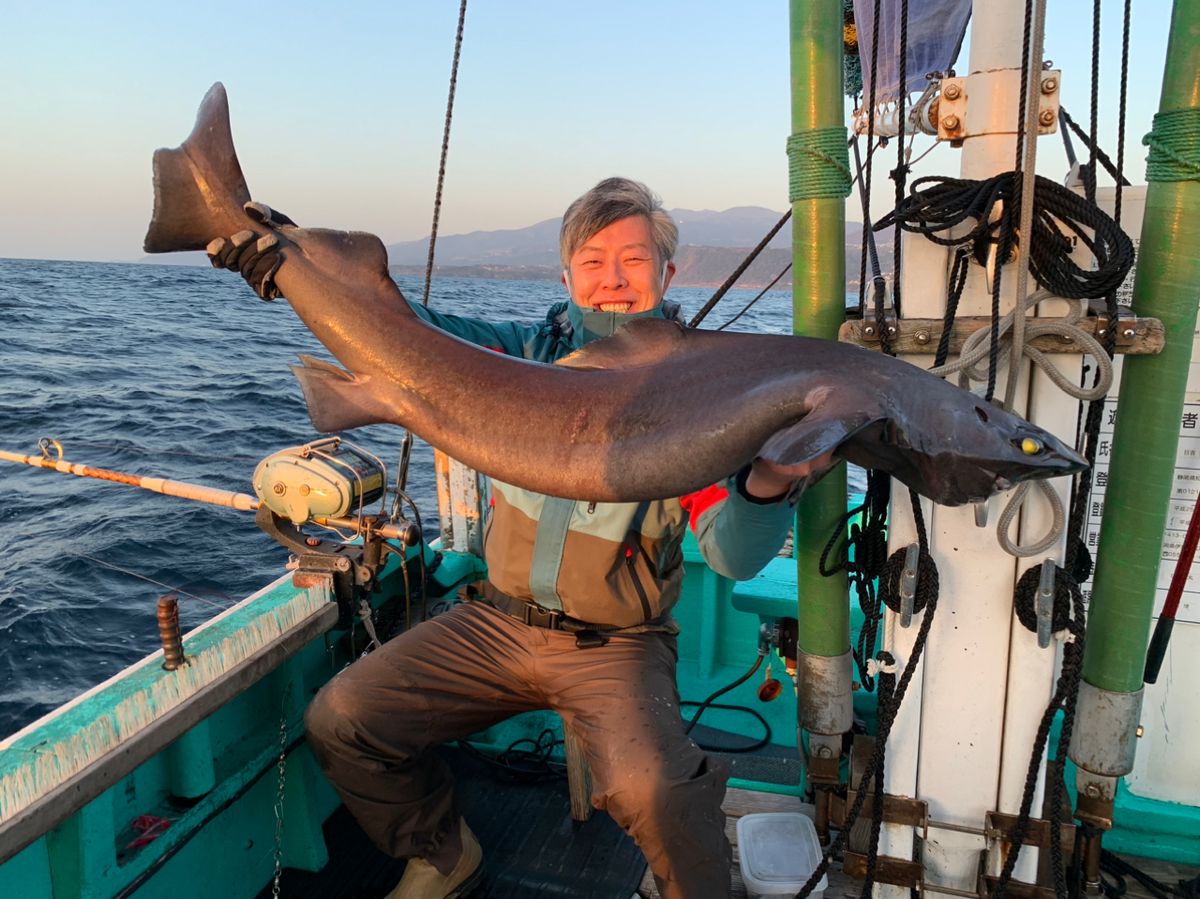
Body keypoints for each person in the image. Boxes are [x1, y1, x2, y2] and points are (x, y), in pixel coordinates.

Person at [209, 177, 804, 899]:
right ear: (565, 275)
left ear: (668, 274)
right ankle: (441, 850)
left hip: (615, 642)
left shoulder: (699, 394)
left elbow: (731, 555)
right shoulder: (521, 351)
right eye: (592, 261)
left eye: (634, 260)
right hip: (493, 620)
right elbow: (404, 333)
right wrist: (292, 263)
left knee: (659, 792)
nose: (612, 280)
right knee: (343, 718)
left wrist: (771, 480)